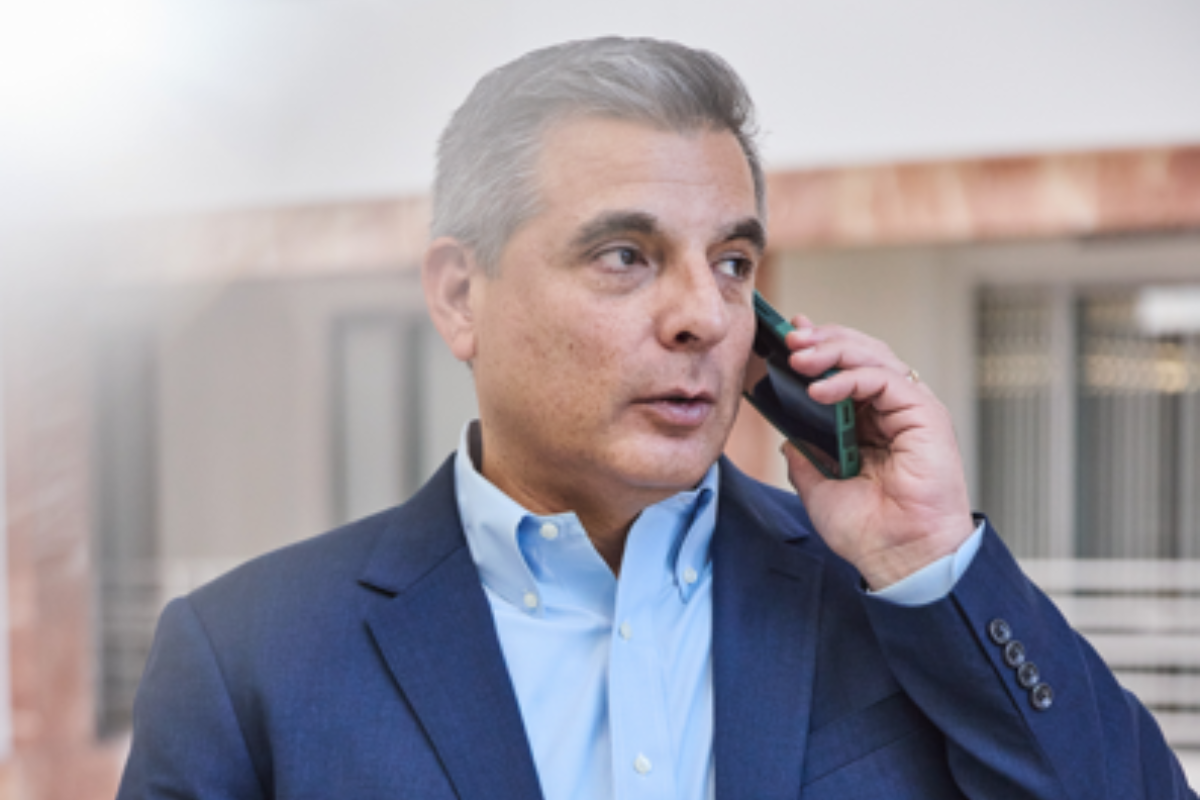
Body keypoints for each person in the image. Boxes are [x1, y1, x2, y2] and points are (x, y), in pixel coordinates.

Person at [117, 37, 1196, 800]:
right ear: (459, 295)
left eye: (732, 262)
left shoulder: (883, 600)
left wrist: (930, 557)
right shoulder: (245, 656)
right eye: (625, 254)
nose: (702, 315)